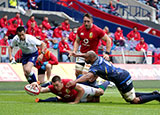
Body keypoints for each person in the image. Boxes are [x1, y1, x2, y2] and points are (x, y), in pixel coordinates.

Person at [66, 50, 160, 104]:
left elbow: (87, 76)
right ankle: (153, 93)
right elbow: (88, 54)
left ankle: (157, 96)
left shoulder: (97, 67)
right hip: (121, 75)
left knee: (133, 100)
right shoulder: (97, 58)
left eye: (86, 58)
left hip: (122, 79)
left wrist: (75, 82)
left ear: (90, 58)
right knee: (130, 95)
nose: (84, 58)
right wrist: (76, 54)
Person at [32, 75, 109, 104]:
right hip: (75, 96)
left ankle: (106, 82)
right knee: (96, 101)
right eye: (54, 85)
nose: (55, 87)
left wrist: (76, 102)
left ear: (61, 82)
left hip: (82, 91)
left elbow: (81, 90)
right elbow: (42, 90)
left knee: (101, 92)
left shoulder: (68, 83)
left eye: (57, 85)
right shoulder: (52, 88)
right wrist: (35, 86)